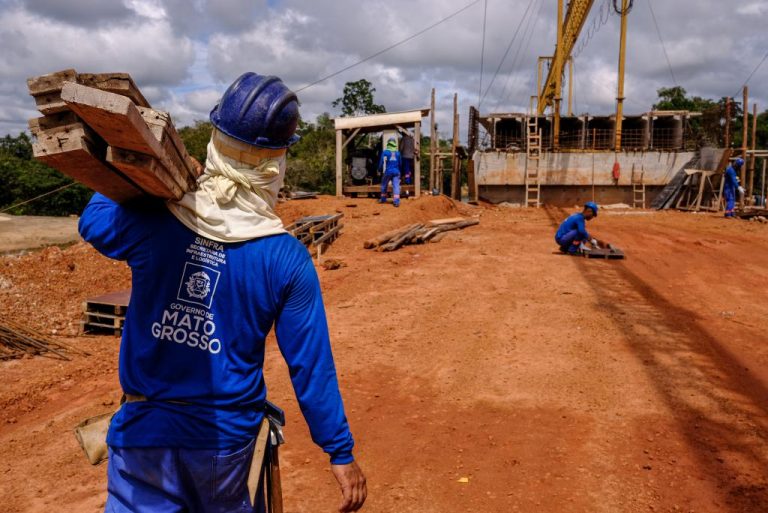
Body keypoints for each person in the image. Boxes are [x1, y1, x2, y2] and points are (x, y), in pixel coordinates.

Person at [79, 72, 367, 513]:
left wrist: (146, 173)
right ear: (276, 162)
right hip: (224, 445)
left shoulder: (156, 219)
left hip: (144, 438)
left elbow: (94, 220)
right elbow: (310, 365)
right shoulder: (285, 258)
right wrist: (339, 452)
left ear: (215, 139)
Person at [378, 136, 402, 207]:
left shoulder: (385, 152)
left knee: (384, 184)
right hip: (396, 172)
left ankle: (383, 199)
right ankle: (396, 201)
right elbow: (400, 163)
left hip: (388, 171)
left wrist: (379, 169)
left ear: (388, 143)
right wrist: (399, 171)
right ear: (394, 144)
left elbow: (381, 162)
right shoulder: (398, 153)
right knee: (396, 186)